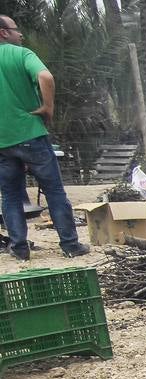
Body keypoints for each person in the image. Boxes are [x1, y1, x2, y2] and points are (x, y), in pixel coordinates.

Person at [0, 14, 89, 260]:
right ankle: (70, 246)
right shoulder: (22, 54)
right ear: (3, 33)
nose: (21, 34)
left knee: (9, 196)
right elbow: (46, 77)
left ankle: (19, 249)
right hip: (31, 134)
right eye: (16, 30)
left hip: (2, 142)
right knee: (54, 191)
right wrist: (47, 107)